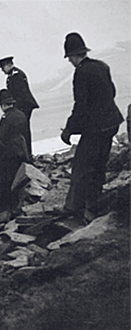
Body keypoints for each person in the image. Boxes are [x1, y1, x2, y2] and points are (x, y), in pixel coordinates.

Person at [59, 32, 124, 223]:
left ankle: (74, 207)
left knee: (81, 167)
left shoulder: (81, 72)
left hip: (95, 128)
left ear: (73, 56)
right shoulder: (102, 66)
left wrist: (68, 130)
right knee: (99, 166)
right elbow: (112, 92)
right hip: (111, 123)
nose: (69, 61)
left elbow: (80, 105)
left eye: (69, 57)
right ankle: (93, 205)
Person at [0, 89, 30, 213]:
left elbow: (1, 137)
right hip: (21, 150)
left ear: (3, 105)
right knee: (17, 179)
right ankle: (17, 204)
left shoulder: (6, 117)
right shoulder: (21, 114)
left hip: (9, 153)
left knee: (4, 180)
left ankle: (5, 207)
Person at [0, 56, 39, 156]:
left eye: (3, 67)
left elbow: (20, 95)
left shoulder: (16, 76)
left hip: (24, 106)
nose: (2, 70)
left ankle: (27, 154)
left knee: (23, 132)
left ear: (9, 65)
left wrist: (16, 110)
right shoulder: (13, 75)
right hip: (22, 106)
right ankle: (26, 153)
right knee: (22, 131)